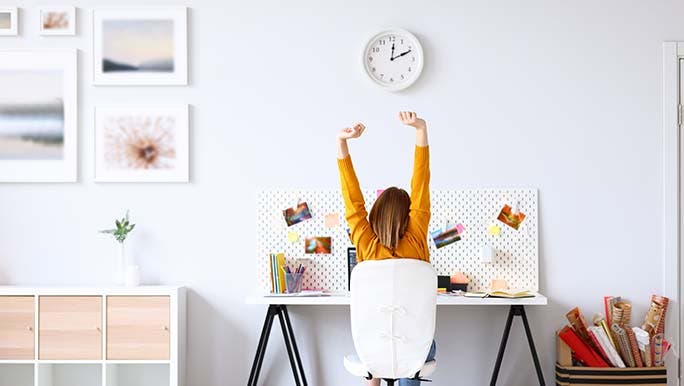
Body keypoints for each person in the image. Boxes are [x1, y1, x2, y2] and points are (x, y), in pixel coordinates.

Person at [336, 111, 435, 386]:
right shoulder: (416, 238)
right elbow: (421, 184)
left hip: (372, 351)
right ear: (409, 215)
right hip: (414, 351)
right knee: (412, 351)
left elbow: (352, 201)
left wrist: (342, 143)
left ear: (376, 215)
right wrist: (420, 130)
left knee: (376, 345)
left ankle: (375, 378)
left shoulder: (365, 243)